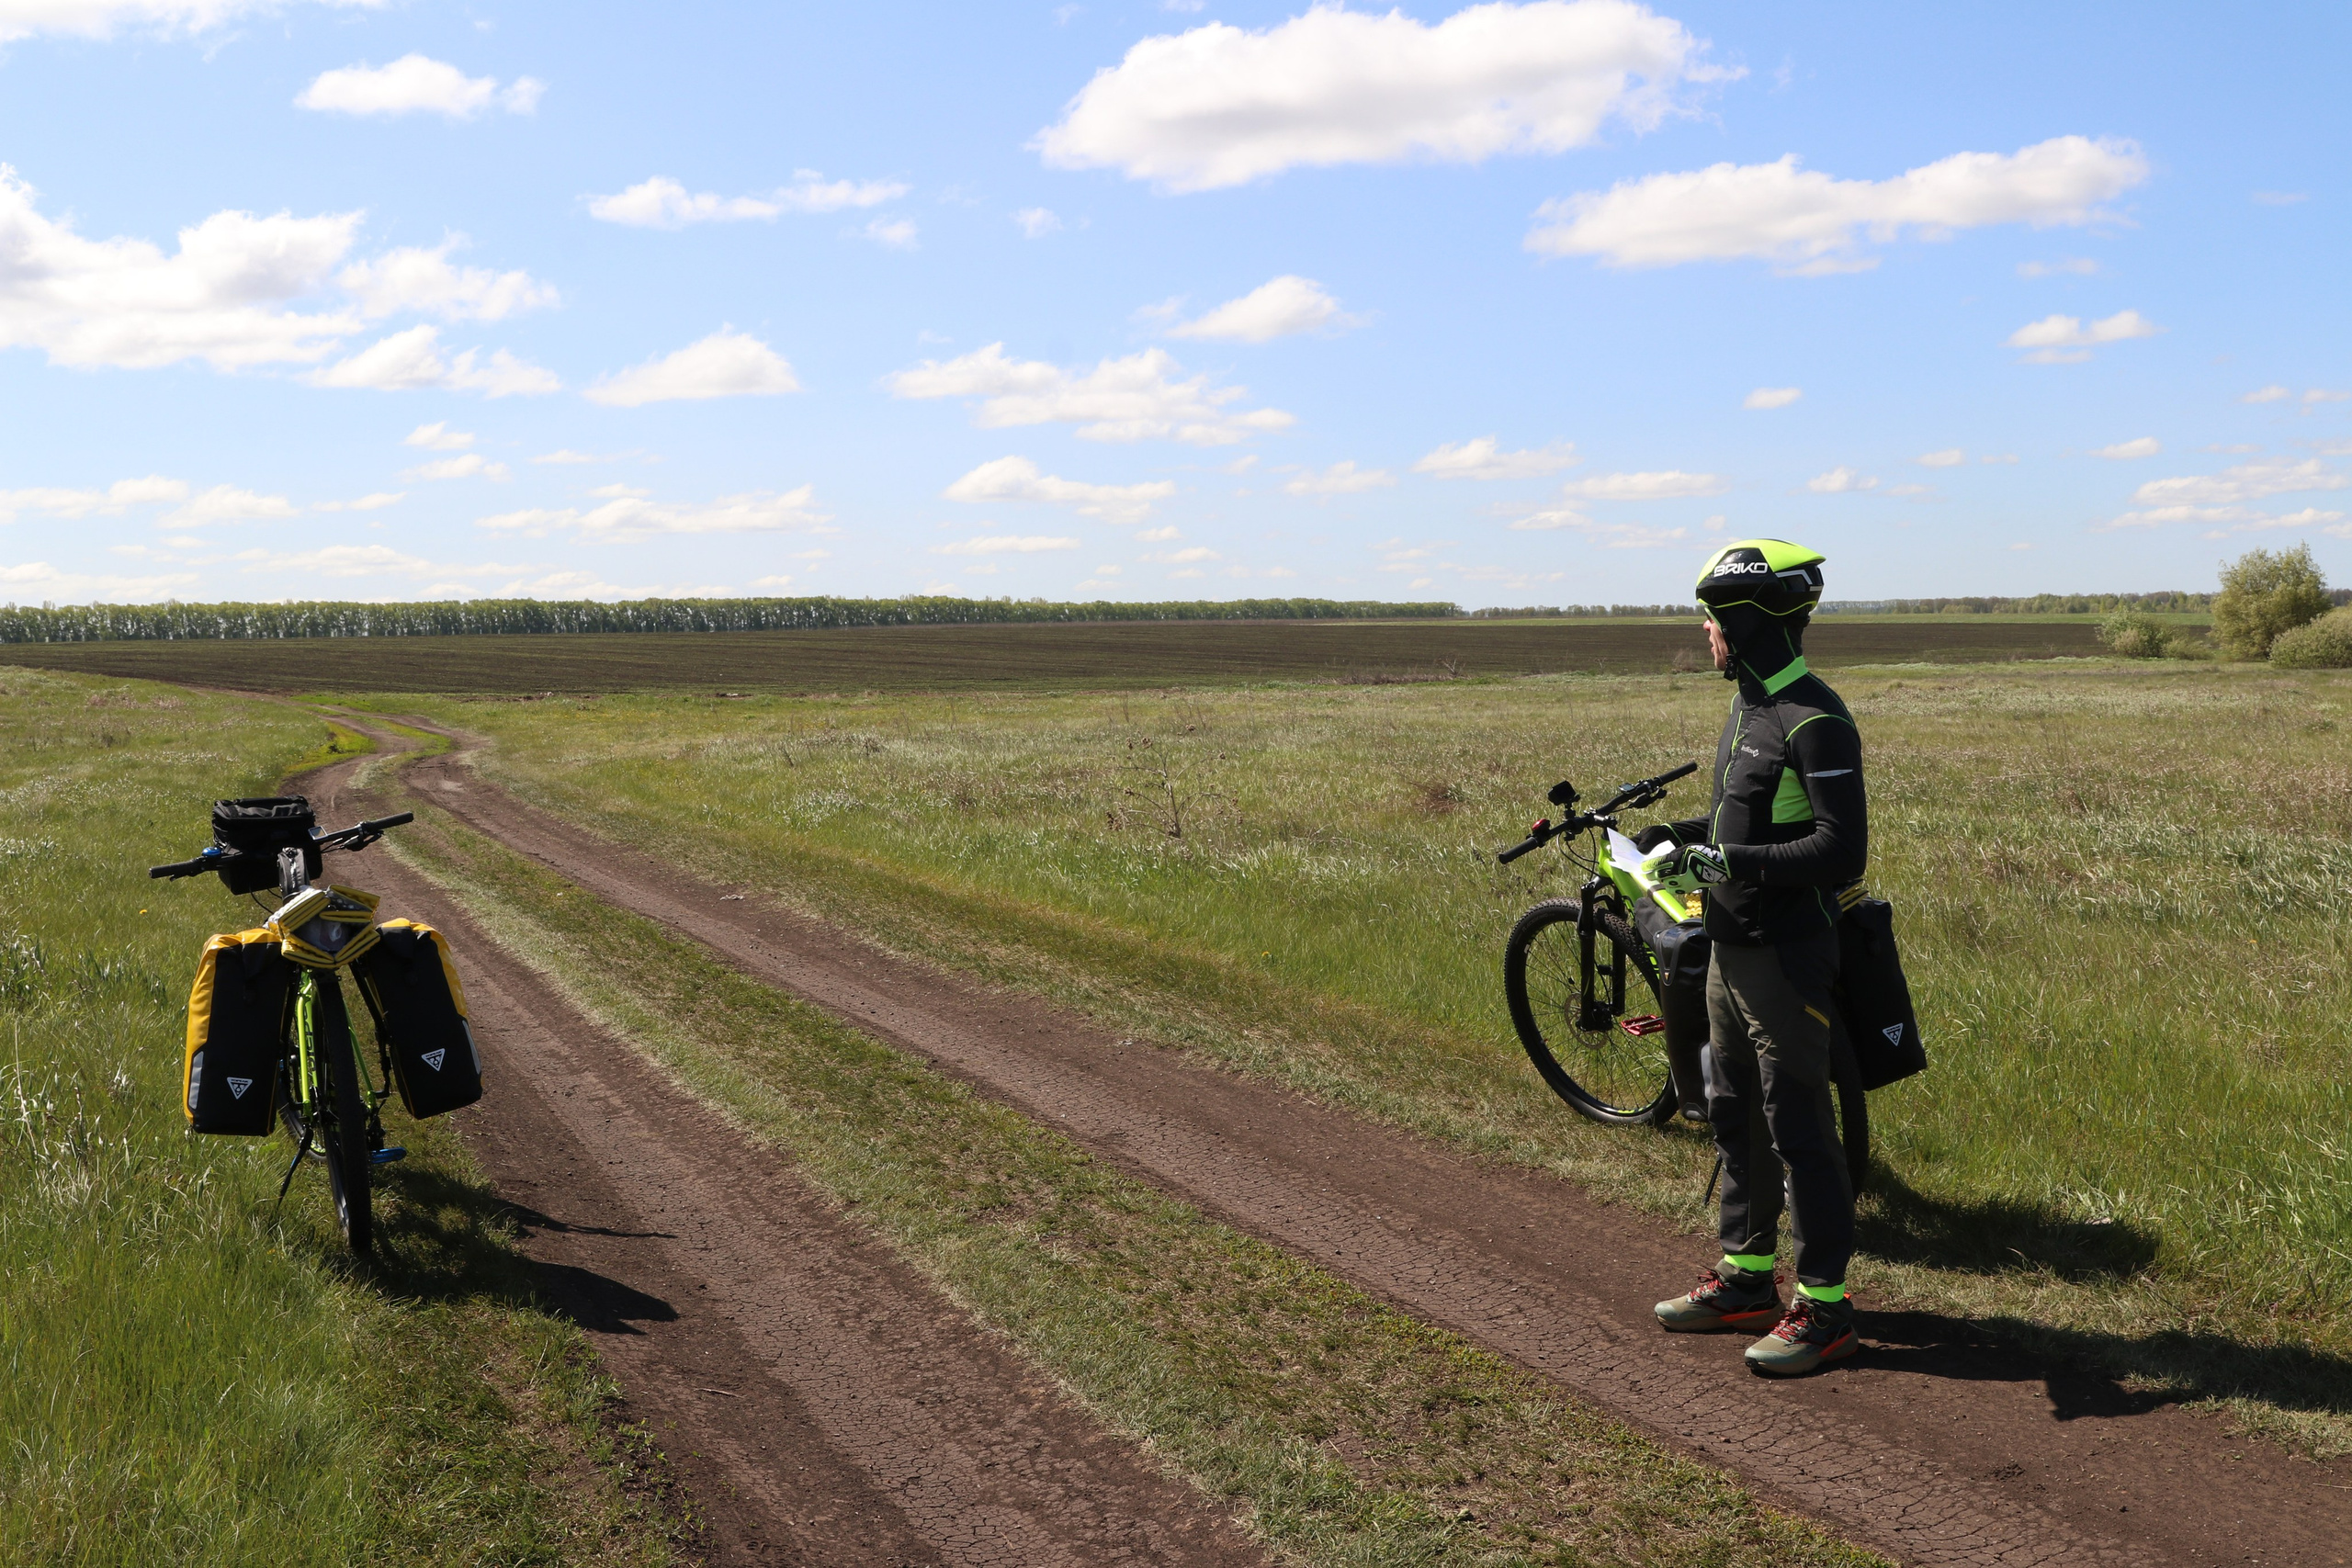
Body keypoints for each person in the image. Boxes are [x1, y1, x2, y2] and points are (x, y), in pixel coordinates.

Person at [1636, 538, 1868, 1377]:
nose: (1706, 633)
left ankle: (1827, 1308)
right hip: (1730, 952)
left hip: (1787, 954)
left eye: (1713, 619)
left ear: (1744, 623)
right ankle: (1744, 1277)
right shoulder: (1747, 709)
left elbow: (1843, 851)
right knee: (1734, 1114)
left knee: (1800, 1124)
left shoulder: (1814, 716)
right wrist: (1680, 837)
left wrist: (1732, 865)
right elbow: (1749, 822)